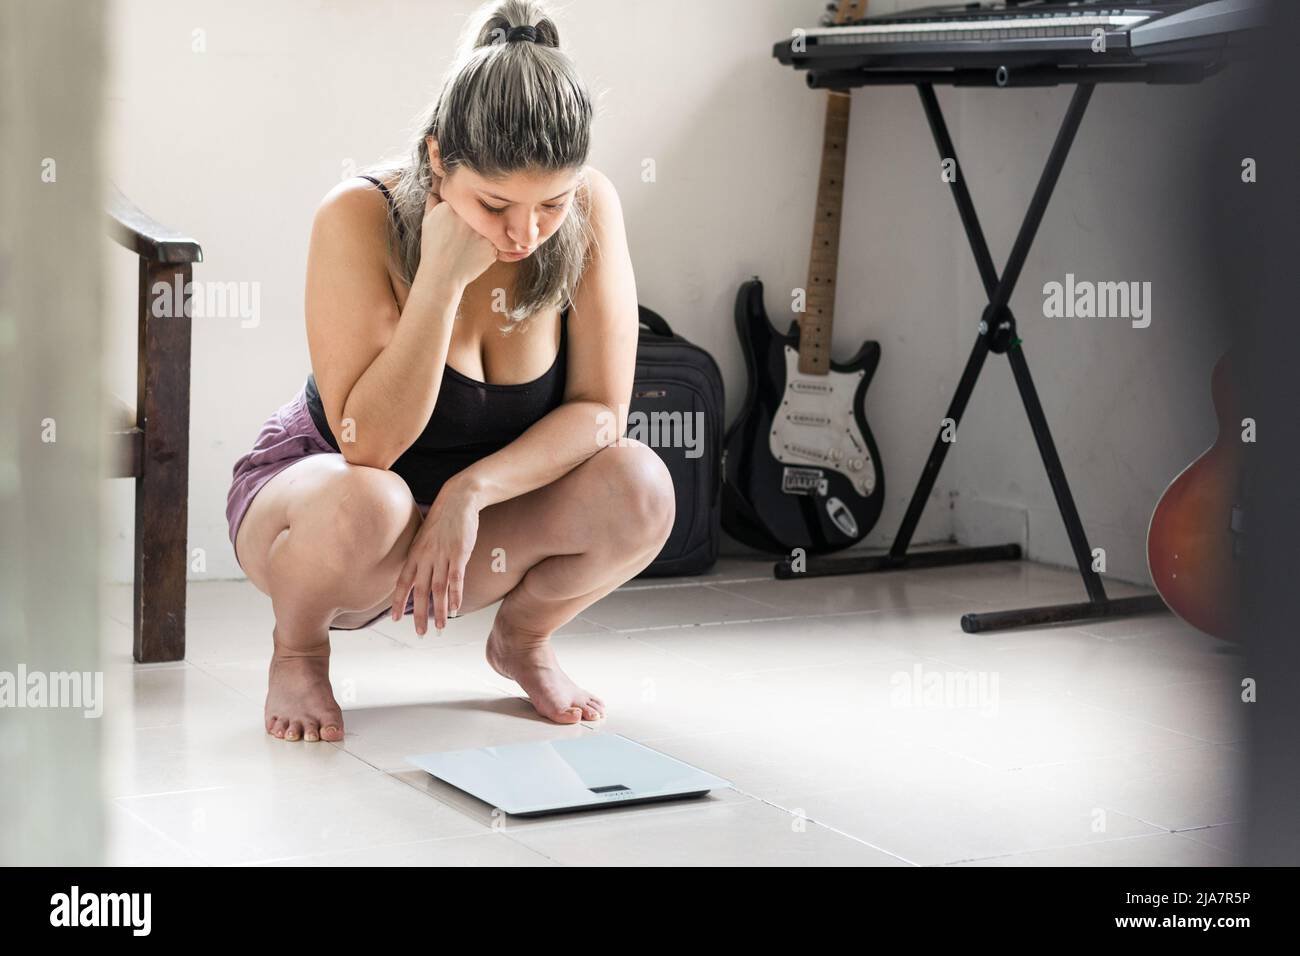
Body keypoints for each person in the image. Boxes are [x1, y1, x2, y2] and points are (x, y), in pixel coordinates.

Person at [224, 0, 673, 742]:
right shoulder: (358, 214)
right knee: (372, 498)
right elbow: (366, 445)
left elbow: (600, 414)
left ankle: (522, 641)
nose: (525, 234)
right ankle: (298, 649)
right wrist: (438, 281)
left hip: (471, 536)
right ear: (438, 160)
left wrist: (471, 492)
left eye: (550, 204)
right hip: (331, 525)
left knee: (643, 486)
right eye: (495, 204)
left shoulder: (593, 208)